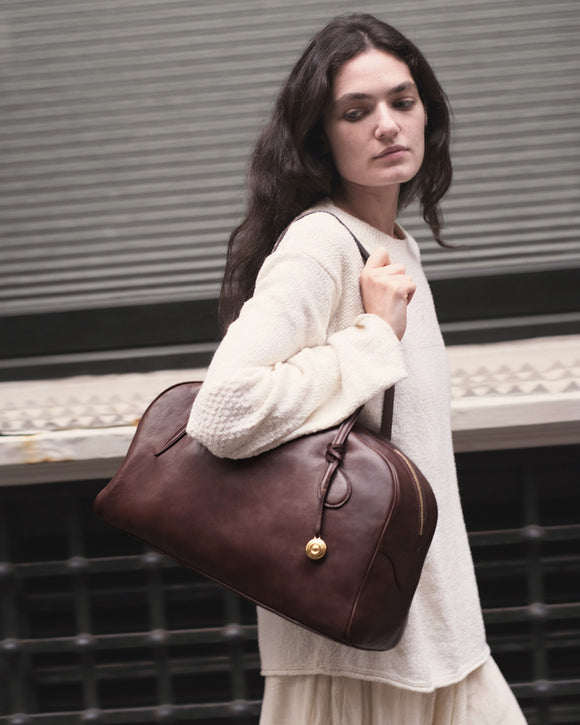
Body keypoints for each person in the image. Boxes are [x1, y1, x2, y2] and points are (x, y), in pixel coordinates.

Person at [187, 13, 527, 725]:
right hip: (360, 644)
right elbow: (222, 410)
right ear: (320, 137)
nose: (387, 125)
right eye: (356, 111)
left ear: (427, 113)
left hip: (435, 624)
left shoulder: (394, 242)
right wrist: (372, 338)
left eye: (403, 101)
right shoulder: (321, 246)